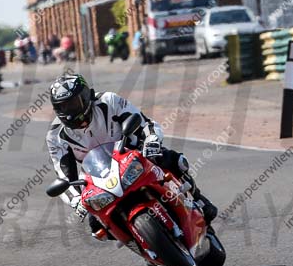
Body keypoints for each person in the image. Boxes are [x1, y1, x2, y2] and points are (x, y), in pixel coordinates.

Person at [46, 73, 218, 245]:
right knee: (95, 224)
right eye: (63, 107)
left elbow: (146, 124)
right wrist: (76, 201)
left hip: (133, 154)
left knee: (173, 160)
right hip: (99, 176)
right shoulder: (55, 135)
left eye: (73, 103)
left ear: (85, 96)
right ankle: (140, 241)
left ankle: (198, 199)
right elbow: (64, 177)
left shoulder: (109, 101)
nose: (69, 111)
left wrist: (151, 141)